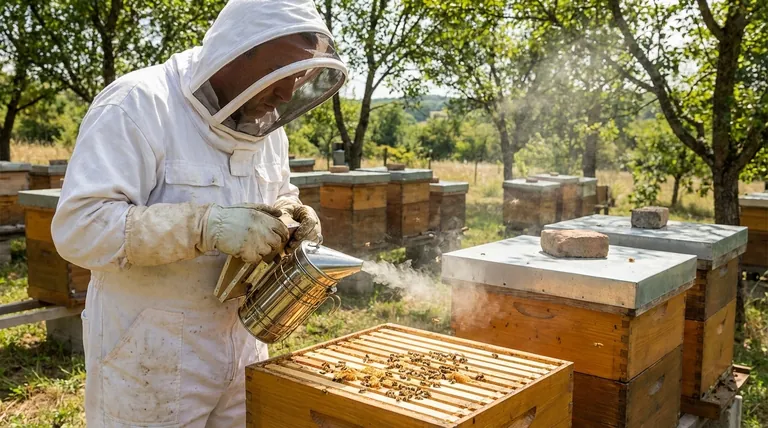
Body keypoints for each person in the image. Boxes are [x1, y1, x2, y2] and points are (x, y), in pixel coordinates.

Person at [50, 0, 347, 426]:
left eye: (298, 79)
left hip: (243, 342)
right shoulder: (138, 105)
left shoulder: (266, 124)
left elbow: (279, 190)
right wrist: (203, 226)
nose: (286, 93)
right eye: (280, 76)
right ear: (239, 51)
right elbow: (80, 228)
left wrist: (291, 212)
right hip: (150, 352)